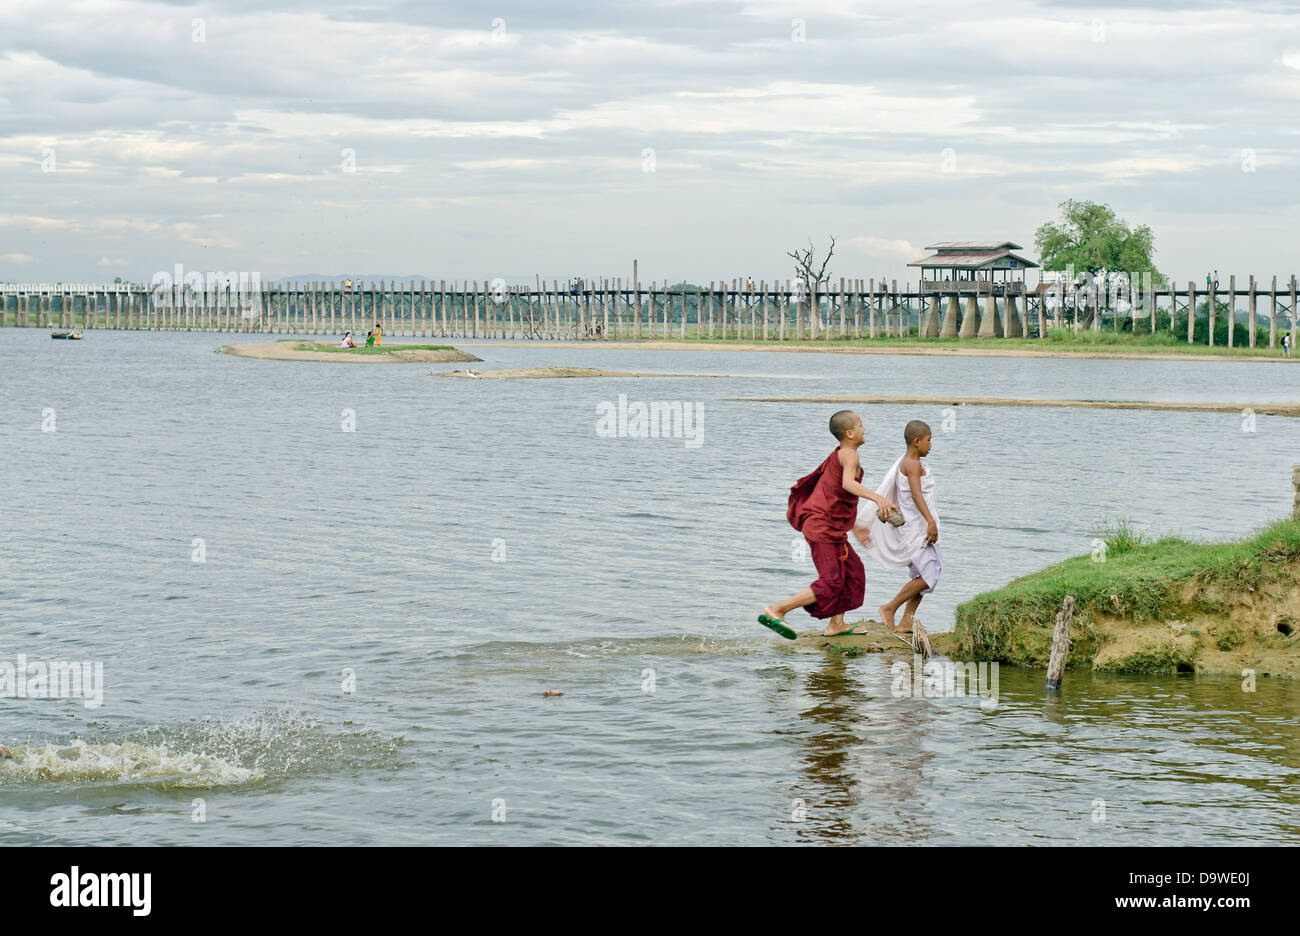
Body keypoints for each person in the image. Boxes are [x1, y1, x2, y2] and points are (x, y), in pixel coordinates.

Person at [759, 411, 897, 639]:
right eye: (861, 424)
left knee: (853, 572)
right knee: (831, 581)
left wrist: (855, 527)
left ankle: (837, 625)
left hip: (831, 526)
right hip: (821, 527)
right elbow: (848, 484)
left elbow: (835, 496)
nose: (864, 428)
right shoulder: (849, 454)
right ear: (850, 433)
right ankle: (777, 610)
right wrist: (879, 499)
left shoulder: (843, 454)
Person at [856, 420, 941, 647]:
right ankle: (889, 607)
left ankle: (906, 620)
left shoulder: (910, 462)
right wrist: (931, 522)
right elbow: (915, 495)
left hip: (918, 528)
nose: (931, 445)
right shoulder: (911, 464)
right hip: (917, 528)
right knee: (927, 575)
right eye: (929, 439)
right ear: (916, 442)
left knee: (924, 574)